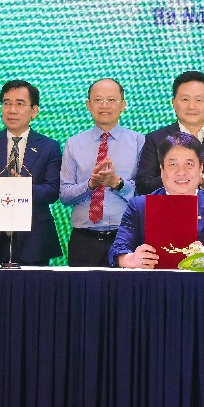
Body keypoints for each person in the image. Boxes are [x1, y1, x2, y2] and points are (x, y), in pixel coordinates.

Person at [0, 79, 63, 266]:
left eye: (20, 104)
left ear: (34, 111)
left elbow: (52, 190)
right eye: (7, 103)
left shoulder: (49, 147)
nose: (12, 110)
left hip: (34, 239)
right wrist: (8, 190)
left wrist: (23, 188)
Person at [111, 132, 204, 268]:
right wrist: (132, 259)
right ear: (162, 169)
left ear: (201, 169)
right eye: (173, 164)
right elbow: (116, 251)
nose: (181, 172)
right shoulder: (139, 206)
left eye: (189, 164)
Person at [60, 78, 142, 267]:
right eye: (98, 100)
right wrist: (90, 185)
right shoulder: (73, 144)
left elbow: (145, 193)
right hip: (83, 240)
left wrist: (117, 184)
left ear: (123, 105)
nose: (105, 105)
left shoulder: (139, 142)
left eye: (111, 100)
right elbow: (64, 195)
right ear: (88, 105)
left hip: (126, 238)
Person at [134, 71, 204, 202]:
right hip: (167, 212)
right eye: (185, 99)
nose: (192, 106)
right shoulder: (155, 139)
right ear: (174, 102)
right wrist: (178, 178)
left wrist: (203, 181)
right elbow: (142, 186)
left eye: (199, 100)